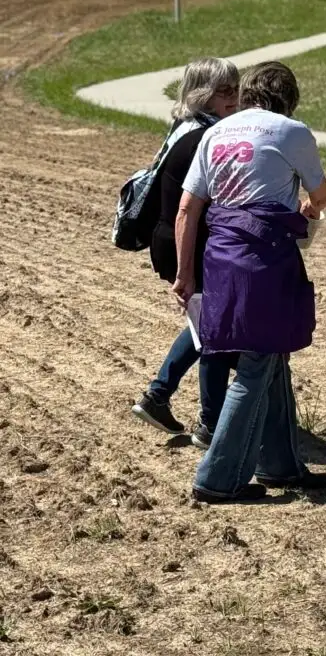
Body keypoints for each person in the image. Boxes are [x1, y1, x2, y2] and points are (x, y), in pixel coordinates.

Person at [173, 61, 326, 505]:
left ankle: (279, 465)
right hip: (265, 260)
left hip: (220, 258)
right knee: (256, 363)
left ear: (245, 94)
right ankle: (218, 478)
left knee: (270, 354)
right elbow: (321, 195)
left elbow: (188, 209)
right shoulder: (290, 131)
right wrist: (309, 207)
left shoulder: (215, 132)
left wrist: (185, 274)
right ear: (289, 99)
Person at [131, 58, 240, 448]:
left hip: (176, 240)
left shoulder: (190, 127)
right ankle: (209, 425)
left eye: (235, 88)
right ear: (202, 95)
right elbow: (188, 209)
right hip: (185, 243)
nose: (234, 97)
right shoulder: (203, 138)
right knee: (214, 332)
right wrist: (186, 270)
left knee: (204, 323)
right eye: (224, 90)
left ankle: (158, 395)